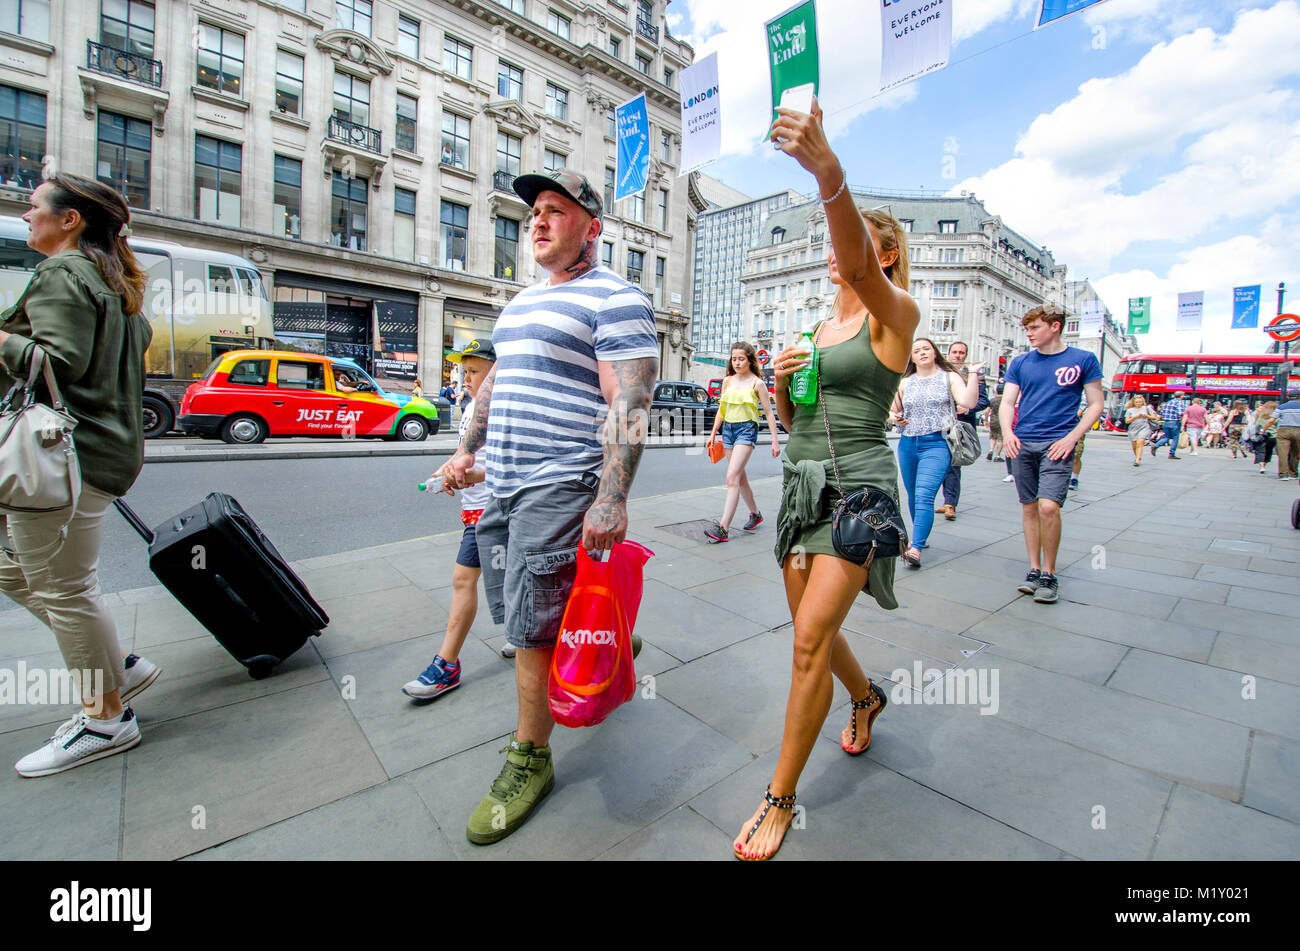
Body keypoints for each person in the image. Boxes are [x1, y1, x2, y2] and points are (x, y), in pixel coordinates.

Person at [441, 170, 658, 845]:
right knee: (522, 608)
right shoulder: (523, 302)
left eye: (555, 211)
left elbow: (630, 402)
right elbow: (493, 389)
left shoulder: (617, 298)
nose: (537, 221)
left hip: (559, 482)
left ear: (592, 226)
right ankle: (612, 644)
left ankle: (529, 757)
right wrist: (464, 452)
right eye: (533, 211)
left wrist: (610, 497)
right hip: (501, 483)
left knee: (531, 631)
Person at [733, 97, 919, 861]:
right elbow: (796, 414)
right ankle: (866, 697)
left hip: (861, 489)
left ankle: (780, 797)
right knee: (817, 631)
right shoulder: (815, 329)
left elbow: (859, 267)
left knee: (808, 639)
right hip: (803, 486)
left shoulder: (894, 313)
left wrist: (828, 173)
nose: (836, 258)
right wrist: (781, 381)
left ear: (885, 259)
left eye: (859, 250)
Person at [0, 174, 158, 777]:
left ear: (71, 220)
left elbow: (57, 365)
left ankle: (106, 718)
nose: (26, 213)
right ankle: (117, 665)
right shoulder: (116, 287)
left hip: (63, 457)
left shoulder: (64, 275)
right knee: (43, 579)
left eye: (35, 205)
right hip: (97, 455)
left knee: (66, 591)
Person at [404, 341, 496, 700]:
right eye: (464, 371)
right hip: (475, 508)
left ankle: (447, 664)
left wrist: (472, 476)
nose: (466, 378)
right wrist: (442, 471)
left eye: (474, 371)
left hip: (495, 510)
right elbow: (464, 453)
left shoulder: (501, 409)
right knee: (509, 578)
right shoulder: (472, 407)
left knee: (463, 579)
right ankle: (529, 637)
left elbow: (515, 466)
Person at [1000, 304, 1103, 604]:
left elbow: (1096, 403)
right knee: (1029, 507)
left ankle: (1050, 572)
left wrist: (1072, 437)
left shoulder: (1082, 359)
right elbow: (1008, 402)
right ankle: (1033, 569)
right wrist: (1008, 432)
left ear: (1054, 326)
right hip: (1023, 442)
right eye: (1027, 329)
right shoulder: (1020, 363)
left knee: (1048, 507)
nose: (1028, 334)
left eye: (1034, 328)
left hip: (1057, 443)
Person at [888, 339, 982, 568]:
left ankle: (916, 547)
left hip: (937, 444)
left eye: (926, 349)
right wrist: (894, 417)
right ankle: (920, 536)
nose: (921, 353)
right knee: (912, 495)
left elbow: (968, 401)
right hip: (908, 443)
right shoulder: (905, 382)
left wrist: (973, 374)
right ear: (911, 357)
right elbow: (890, 410)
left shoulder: (949, 377)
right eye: (916, 350)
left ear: (935, 352)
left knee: (924, 495)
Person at [703, 341, 780, 542]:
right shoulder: (728, 381)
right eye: (734, 358)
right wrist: (713, 434)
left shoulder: (758, 384)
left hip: (747, 430)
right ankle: (755, 514)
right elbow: (722, 409)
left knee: (732, 477)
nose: (737, 362)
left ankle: (723, 528)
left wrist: (775, 441)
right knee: (740, 477)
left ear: (749, 360)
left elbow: (770, 414)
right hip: (728, 430)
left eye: (741, 359)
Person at [933, 341, 988, 520]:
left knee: (953, 465)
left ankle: (950, 504)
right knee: (937, 464)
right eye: (955, 352)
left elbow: (983, 400)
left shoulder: (975, 375)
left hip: (960, 427)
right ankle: (942, 501)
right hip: (939, 425)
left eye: (961, 352)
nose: (958, 355)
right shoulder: (939, 372)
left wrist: (968, 408)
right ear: (948, 354)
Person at [1273, 385, 1300, 479]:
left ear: (1288, 397)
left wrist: (1264, 429)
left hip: (1283, 430)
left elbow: (1272, 419)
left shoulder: (1282, 407)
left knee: (1283, 453)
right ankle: (1293, 473)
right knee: (1295, 452)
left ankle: (1283, 474)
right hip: (1298, 431)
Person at [1124, 395, 1159, 466]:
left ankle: (1137, 460)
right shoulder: (1130, 410)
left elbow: (1154, 417)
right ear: (1133, 402)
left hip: (1144, 428)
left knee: (1140, 443)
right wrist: (1135, 417)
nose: (1138, 403)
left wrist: (1146, 416)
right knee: (1134, 446)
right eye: (1136, 402)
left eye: (1139, 402)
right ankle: (1137, 456)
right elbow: (1127, 421)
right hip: (1133, 429)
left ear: (1142, 402)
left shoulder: (1147, 408)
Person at [1155, 390, 1187, 459]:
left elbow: (1162, 412)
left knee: (1167, 437)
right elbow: (1181, 413)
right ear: (1181, 396)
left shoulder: (1168, 402)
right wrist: (1182, 422)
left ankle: (1156, 445)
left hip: (1165, 422)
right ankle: (1171, 454)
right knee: (1175, 438)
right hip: (1174, 422)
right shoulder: (1179, 403)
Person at [1251, 401, 1278, 474]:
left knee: (1260, 451)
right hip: (1272, 436)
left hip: (1261, 435)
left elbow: (1256, 424)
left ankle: (1262, 466)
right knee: (1268, 451)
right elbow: (1278, 426)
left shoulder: (1260, 415)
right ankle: (1264, 465)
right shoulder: (1275, 416)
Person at [987, 383, 1005, 462]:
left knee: (992, 436)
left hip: (993, 420)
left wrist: (986, 420)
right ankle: (997, 455)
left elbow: (987, 411)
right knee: (1001, 438)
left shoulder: (992, 400)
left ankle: (991, 450)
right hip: (1002, 421)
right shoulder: (1005, 400)